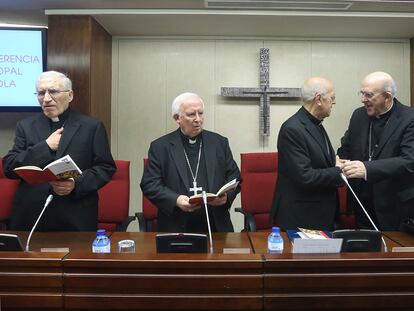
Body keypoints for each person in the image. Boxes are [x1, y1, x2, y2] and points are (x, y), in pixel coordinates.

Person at [3, 71, 116, 231]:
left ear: (70, 95)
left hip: (74, 214)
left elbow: (105, 167)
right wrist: (46, 146)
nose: (47, 99)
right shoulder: (26, 126)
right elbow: (9, 168)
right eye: (41, 93)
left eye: (53, 91)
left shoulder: (91, 127)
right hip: (32, 216)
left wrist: (75, 184)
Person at [140, 92, 241, 233]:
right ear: (177, 118)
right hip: (176, 225)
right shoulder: (161, 147)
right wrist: (176, 199)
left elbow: (235, 176)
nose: (198, 119)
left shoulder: (219, 143)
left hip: (216, 225)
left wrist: (226, 197)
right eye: (191, 114)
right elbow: (149, 184)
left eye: (201, 113)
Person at [338, 71, 414, 230]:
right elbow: (347, 147)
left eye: (368, 95)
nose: (363, 99)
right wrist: (340, 159)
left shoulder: (409, 118)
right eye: (362, 93)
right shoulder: (359, 115)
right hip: (362, 203)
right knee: (366, 252)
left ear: (387, 97)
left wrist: (367, 168)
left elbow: (409, 160)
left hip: (394, 205)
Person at [270, 77, 344, 230]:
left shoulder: (315, 123)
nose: (334, 103)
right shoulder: (293, 129)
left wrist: (336, 164)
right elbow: (305, 176)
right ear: (318, 99)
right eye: (332, 98)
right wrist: (338, 171)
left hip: (320, 214)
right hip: (302, 218)